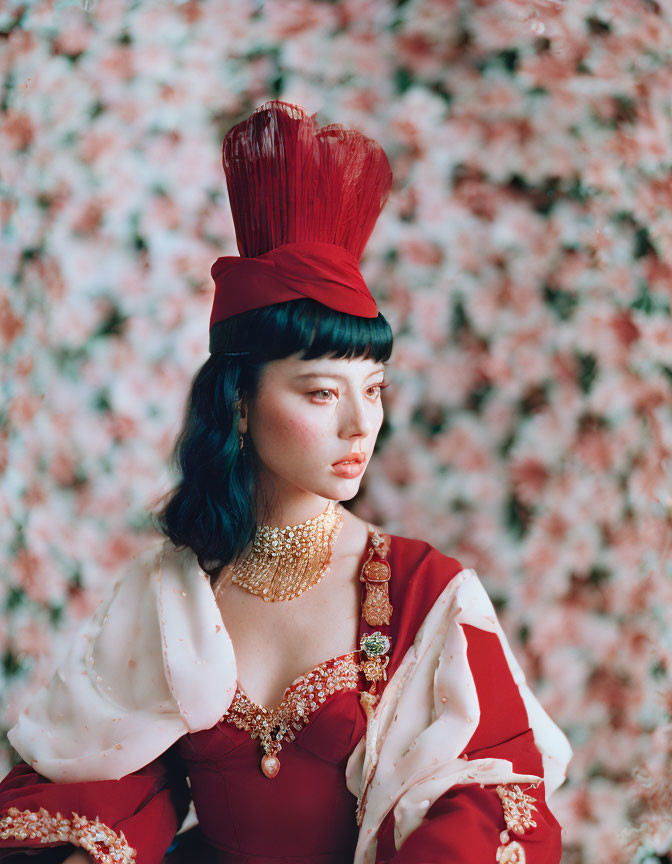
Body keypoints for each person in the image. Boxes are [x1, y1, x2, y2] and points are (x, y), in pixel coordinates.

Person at [0, 100, 572, 864]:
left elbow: (487, 789)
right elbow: (115, 772)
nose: (359, 426)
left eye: (373, 391)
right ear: (239, 403)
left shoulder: (424, 592)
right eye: (320, 393)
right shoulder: (172, 590)